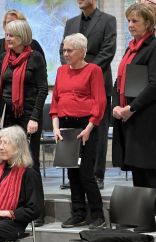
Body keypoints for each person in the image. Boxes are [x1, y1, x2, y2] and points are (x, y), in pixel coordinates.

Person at [0, 19, 48, 227]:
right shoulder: (2, 58)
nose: (7, 39)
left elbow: (43, 89)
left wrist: (34, 118)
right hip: (10, 116)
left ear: (22, 37)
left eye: (11, 36)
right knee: (10, 161)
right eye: (6, 35)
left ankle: (37, 210)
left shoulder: (36, 58)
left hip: (29, 115)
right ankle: (14, 204)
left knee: (30, 162)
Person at [50, 33, 106, 229]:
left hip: (86, 125)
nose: (65, 54)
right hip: (65, 125)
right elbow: (56, 100)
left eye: (69, 50)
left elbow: (99, 101)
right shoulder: (61, 71)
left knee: (85, 173)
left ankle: (98, 215)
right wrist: (56, 127)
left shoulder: (94, 70)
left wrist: (90, 126)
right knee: (72, 172)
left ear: (82, 52)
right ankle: (79, 213)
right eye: (64, 50)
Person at [60, 0, 117, 189]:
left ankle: (96, 175)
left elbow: (108, 51)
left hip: (96, 81)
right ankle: (75, 176)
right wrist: (72, 71)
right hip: (73, 87)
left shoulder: (108, 20)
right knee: (74, 131)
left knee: (98, 132)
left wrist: (87, 72)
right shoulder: (71, 22)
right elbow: (64, 52)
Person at [112, 3, 156, 188]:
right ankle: (144, 217)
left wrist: (131, 108)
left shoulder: (153, 47)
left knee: (150, 175)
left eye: (135, 21)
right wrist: (115, 105)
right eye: (128, 20)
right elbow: (118, 83)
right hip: (130, 120)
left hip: (146, 121)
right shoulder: (131, 48)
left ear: (148, 23)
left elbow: (155, 84)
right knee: (139, 176)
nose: (130, 24)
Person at [0, 9, 46, 87]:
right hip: (1, 96)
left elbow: (41, 75)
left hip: (29, 96)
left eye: (15, 22)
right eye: (8, 23)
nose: (11, 26)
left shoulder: (33, 45)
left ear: (22, 26)